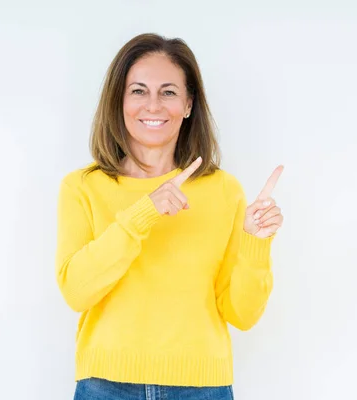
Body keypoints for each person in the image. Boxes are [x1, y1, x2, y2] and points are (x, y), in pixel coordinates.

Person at [55, 33, 284, 400]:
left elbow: (241, 314)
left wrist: (256, 244)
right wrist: (143, 212)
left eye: (168, 92)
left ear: (189, 104)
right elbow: (76, 291)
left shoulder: (224, 191)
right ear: (119, 101)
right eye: (138, 91)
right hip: (105, 386)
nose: (153, 105)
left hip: (203, 388)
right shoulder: (82, 187)